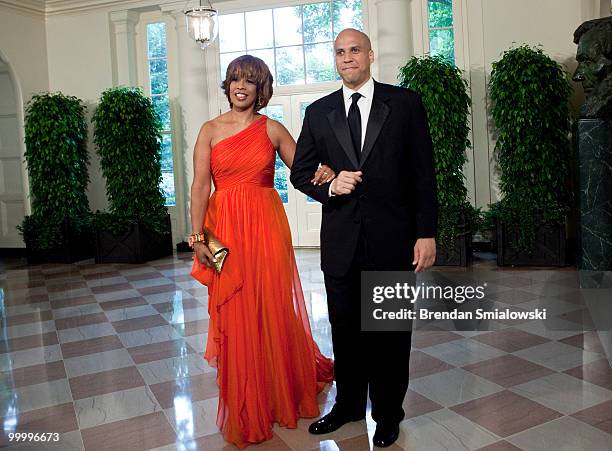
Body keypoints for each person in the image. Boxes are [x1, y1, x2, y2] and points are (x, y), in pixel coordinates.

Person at [290, 29, 437, 447]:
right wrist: (331, 186)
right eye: (339, 52)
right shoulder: (318, 112)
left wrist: (426, 233)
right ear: (334, 60)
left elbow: (423, 174)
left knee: (389, 334)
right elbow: (300, 173)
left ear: (370, 55)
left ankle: (389, 414)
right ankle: (349, 406)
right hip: (341, 244)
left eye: (354, 50)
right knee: (346, 331)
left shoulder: (405, 104)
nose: (347, 57)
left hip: (393, 240)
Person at [189, 55, 335, 449]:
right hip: (225, 231)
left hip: (267, 229)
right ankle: (246, 399)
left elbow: (302, 169)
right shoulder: (210, 130)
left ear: (260, 88)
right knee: (236, 311)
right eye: (235, 78)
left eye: (249, 81)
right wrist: (197, 237)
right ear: (228, 84)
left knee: (270, 306)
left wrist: (328, 174)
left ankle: (277, 391)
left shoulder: (272, 129)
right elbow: (201, 186)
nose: (240, 86)